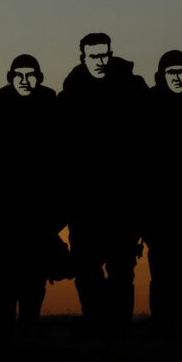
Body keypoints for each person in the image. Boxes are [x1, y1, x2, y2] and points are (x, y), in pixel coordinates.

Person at [57, 32, 149, 333]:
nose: (99, 61)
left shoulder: (134, 89)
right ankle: (98, 323)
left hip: (123, 198)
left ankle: (118, 326)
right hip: (83, 200)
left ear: (110, 54)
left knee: (122, 269)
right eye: (93, 56)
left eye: (104, 54)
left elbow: (147, 143)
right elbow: (58, 149)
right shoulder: (70, 94)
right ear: (82, 57)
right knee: (87, 269)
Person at [0, 54, 65, 337]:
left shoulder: (52, 109)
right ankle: (3, 333)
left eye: (31, 75)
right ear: (11, 77)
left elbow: (64, 163)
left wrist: (58, 214)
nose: (25, 80)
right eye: (19, 75)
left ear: (39, 77)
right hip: (2, 213)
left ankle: (27, 330)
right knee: (2, 276)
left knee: (34, 277)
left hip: (40, 213)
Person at [144, 49, 182, 336]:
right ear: (161, 76)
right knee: (162, 276)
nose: (177, 77)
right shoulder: (150, 109)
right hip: (160, 211)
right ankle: (163, 327)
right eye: (171, 72)